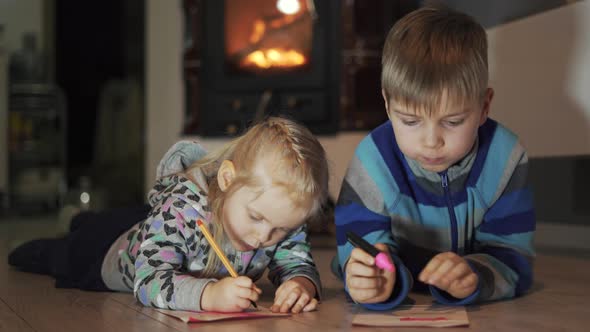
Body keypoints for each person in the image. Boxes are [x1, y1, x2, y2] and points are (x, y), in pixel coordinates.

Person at [9, 116, 329, 313]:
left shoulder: (279, 217)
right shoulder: (182, 208)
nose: (264, 237)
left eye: (280, 229)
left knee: (122, 220)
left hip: (149, 228)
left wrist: (300, 285)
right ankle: (72, 224)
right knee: (62, 251)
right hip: (108, 257)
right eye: (256, 218)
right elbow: (148, 281)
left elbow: (296, 261)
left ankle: (81, 218)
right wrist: (207, 295)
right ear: (227, 180)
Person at [332, 6, 536, 310]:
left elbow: (514, 259)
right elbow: (357, 248)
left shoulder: (505, 158)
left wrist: (475, 275)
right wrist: (370, 279)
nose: (431, 142)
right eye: (410, 122)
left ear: (484, 106)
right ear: (387, 105)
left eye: (453, 122)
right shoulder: (373, 160)